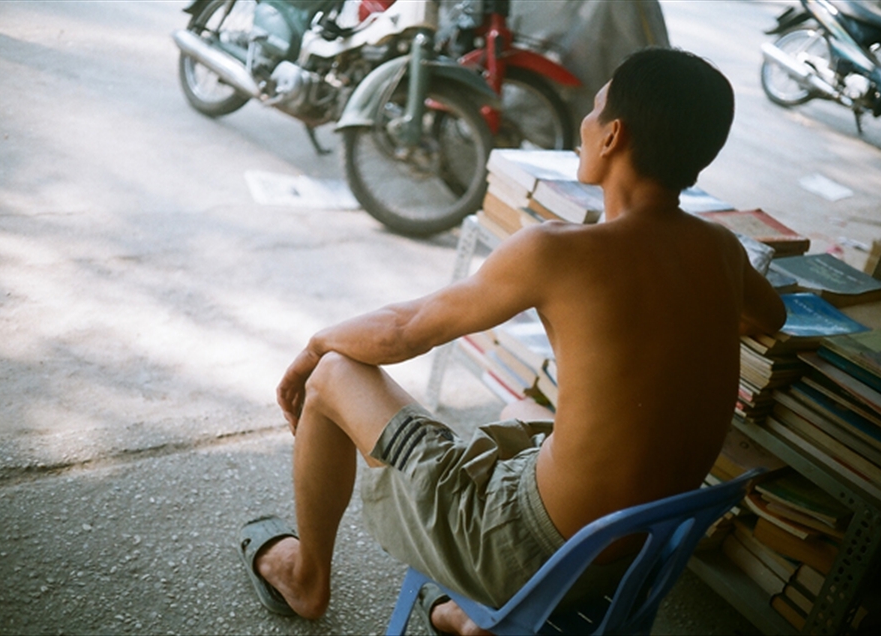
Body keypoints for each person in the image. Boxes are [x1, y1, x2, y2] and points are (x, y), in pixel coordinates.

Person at [237, 47, 786, 635]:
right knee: (523, 414)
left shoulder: (559, 252)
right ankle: (477, 622)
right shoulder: (724, 252)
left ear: (613, 137)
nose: (585, 123)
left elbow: (402, 331)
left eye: (594, 110)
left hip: (523, 555)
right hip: (632, 568)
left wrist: (314, 347)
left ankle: (307, 578)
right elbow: (769, 317)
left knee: (333, 376)